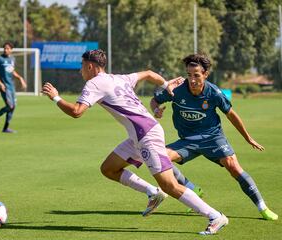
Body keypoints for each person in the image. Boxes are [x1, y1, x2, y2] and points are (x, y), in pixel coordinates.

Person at [42, 49, 228, 235]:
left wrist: (56, 97)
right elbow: (148, 73)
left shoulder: (94, 83)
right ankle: (152, 192)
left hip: (146, 135)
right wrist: (165, 84)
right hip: (140, 134)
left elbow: (76, 111)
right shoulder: (118, 78)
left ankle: (214, 216)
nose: (80, 71)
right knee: (109, 169)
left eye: (82, 67)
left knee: (170, 185)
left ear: (90, 66)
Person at [150, 53, 278, 221]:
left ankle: (263, 207)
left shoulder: (214, 92)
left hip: (213, 138)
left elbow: (231, 114)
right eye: (189, 75)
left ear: (205, 74)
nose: (192, 79)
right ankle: (192, 189)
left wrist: (248, 138)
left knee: (233, 167)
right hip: (188, 140)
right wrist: (156, 109)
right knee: (160, 159)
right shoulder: (176, 90)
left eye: (196, 75)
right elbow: (154, 100)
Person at [0, 42, 27, 133]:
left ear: (11, 50)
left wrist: (20, 78)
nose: (5, 50)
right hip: (3, 86)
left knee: (13, 107)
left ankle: (5, 128)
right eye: (4, 48)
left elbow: (12, 71)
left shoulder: (12, 59)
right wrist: (0, 82)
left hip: (11, 86)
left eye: (8, 48)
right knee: (10, 105)